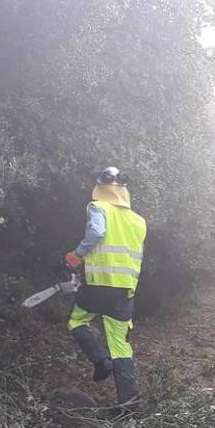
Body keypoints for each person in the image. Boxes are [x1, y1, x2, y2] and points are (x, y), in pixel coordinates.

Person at [64, 166, 147, 407]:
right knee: (120, 345)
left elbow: (97, 232)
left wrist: (76, 256)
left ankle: (101, 360)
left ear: (101, 187)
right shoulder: (139, 221)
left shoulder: (98, 207)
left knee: (77, 321)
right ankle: (130, 404)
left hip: (98, 285)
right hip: (124, 291)